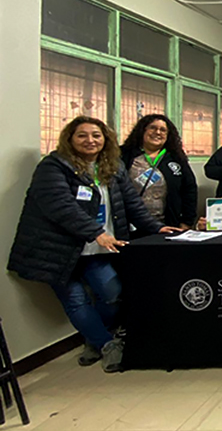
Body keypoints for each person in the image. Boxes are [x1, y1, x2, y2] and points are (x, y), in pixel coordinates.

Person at [7, 116, 178, 373]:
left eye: (96, 135)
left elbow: (131, 203)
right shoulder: (53, 167)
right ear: (70, 139)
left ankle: (94, 338)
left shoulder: (112, 166)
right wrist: (95, 232)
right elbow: (61, 207)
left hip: (98, 249)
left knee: (112, 294)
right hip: (57, 251)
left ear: (105, 139)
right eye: (82, 135)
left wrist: (156, 227)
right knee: (75, 301)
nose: (90, 140)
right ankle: (107, 345)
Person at [120, 114, 197, 231]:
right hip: (130, 224)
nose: (158, 132)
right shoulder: (124, 154)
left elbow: (189, 189)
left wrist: (187, 221)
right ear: (142, 130)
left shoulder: (176, 158)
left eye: (163, 130)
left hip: (167, 223)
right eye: (153, 128)